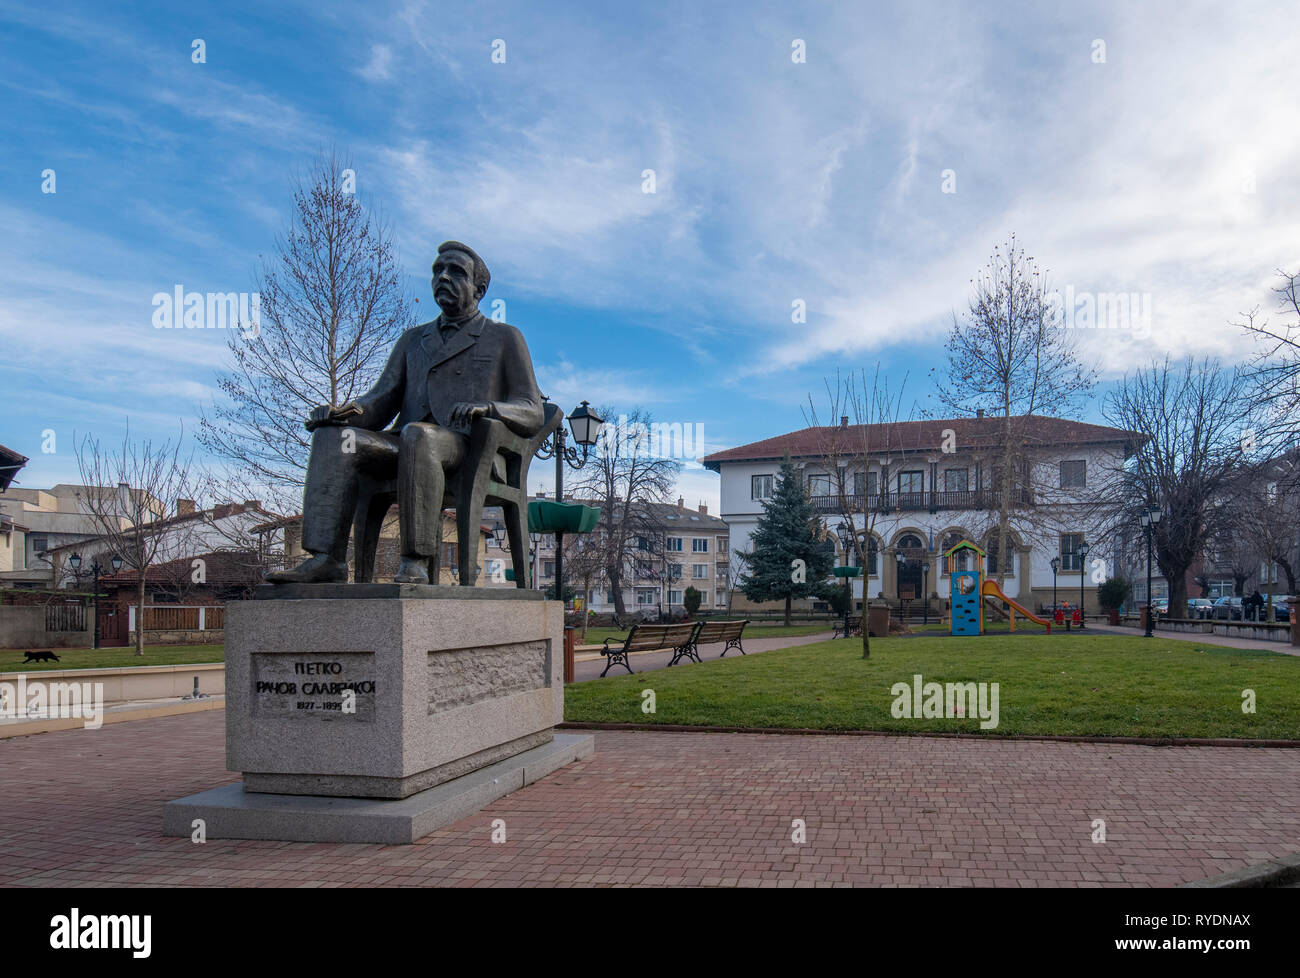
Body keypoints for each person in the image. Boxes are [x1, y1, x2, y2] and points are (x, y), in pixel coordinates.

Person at [266, 241, 544, 585]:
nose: (443, 276)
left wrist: (489, 408)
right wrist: (343, 415)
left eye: (456, 271)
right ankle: (327, 559)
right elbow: (380, 401)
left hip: (471, 448)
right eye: (437, 270)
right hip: (404, 445)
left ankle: (416, 560)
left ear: (479, 289)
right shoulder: (413, 340)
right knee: (335, 439)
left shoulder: (503, 337)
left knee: (418, 435)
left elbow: (532, 410)